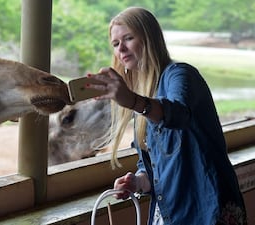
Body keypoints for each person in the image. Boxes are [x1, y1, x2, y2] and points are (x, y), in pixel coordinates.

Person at [86, 7, 247, 225]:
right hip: (172, 214)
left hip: (208, 210)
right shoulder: (145, 96)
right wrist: (137, 182)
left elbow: (178, 115)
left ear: (149, 38)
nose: (121, 48)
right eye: (115, 44)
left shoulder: (180, 74)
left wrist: (132, 100)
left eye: (128, 38)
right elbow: (154, 170)